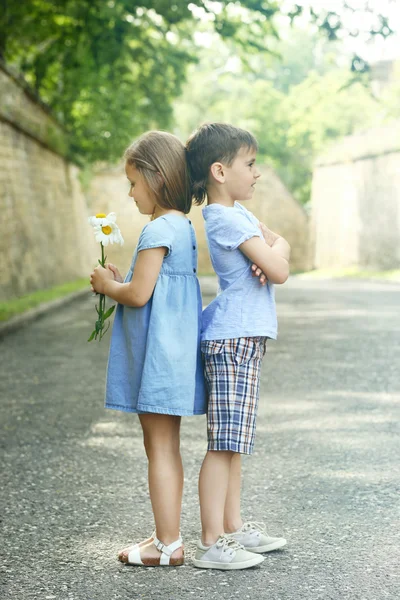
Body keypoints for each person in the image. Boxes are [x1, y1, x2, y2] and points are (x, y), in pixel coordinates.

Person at [90, 131, 206, 567]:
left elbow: (138, 295)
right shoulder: (182, 225)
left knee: (157, 448)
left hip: (157, 359)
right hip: (174, 356)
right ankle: (166, 536)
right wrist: (123, 281)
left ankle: (168, 544)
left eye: (134, 183)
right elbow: (153, 288)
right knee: (166, 447)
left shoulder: (158, 227)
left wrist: (107, 284)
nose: (130, 192)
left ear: (157, 178)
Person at [185, 123, 290, 570]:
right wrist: (273, 255)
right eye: (249, 164)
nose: (257, 173)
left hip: (245, 338)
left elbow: (278, 248)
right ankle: (213, 540)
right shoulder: (226, 218)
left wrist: (274, 253)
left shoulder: (240, 216)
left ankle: (232, 525)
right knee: (222, 444)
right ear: (219, 171)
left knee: (234, 442)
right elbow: (280, 267)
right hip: (231, 339)